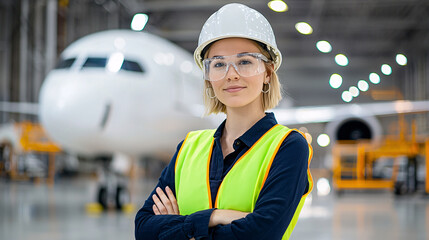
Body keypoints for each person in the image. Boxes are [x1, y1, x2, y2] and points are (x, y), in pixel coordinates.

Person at [135, 3, 313, 240]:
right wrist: (214, 217)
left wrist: (179, 227)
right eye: (218, 64)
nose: (231, 74)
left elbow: (261, 234)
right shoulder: (189, 147)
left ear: (268, 73)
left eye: (245, 62)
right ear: (209, 77)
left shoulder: (288, 147)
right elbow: (144, 228)